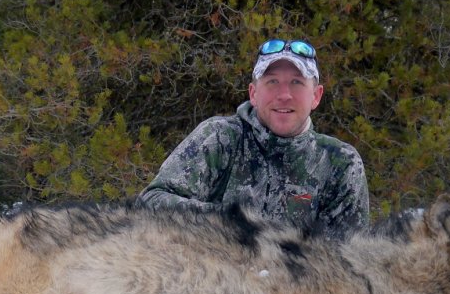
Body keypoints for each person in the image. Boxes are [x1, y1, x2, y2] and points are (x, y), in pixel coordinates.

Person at [139, 38, 369, 239]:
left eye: (297, 82)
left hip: (295, 285)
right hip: (213, 279)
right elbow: (151, 202)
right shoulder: (219, 137)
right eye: (272, 82)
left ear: (316, 96)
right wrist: (230, 222)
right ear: (253, 93)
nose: (284, 95)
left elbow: (348, 260)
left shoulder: (340, 163)